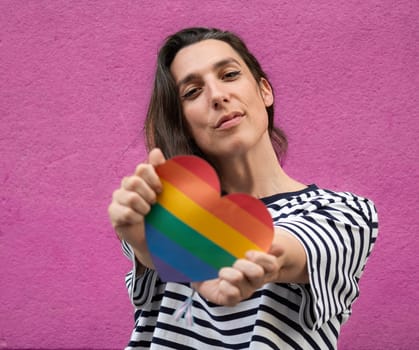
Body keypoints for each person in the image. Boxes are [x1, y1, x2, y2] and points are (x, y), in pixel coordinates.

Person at [108, 27, 378, 350]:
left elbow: (286, 253)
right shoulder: (170, 206)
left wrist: (230, 257)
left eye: (230, 74)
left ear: (265, 91)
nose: (217, 96)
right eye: (192, 92)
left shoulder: (346, 214)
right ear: (184, 124)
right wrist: (140, 235)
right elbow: (152, 251)